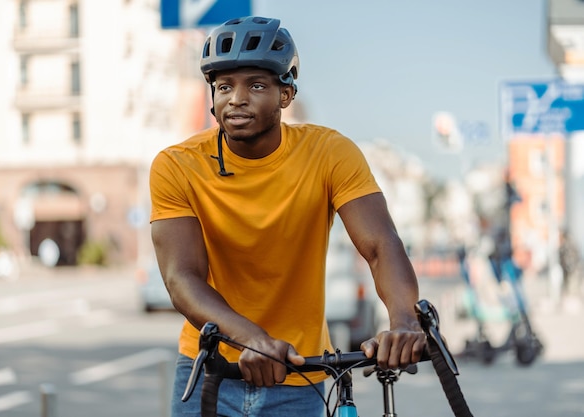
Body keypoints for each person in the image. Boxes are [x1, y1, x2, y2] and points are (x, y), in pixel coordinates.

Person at [150, 16, 426, 416]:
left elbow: (381, 245)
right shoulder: (177, 166)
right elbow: (182, 278)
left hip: (300, 378)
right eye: (224, 86)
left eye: (256, 85)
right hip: (213, 372)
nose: (236, 98)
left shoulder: (329, 153)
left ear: (286, 94)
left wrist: (404, 321)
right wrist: (251, 338)